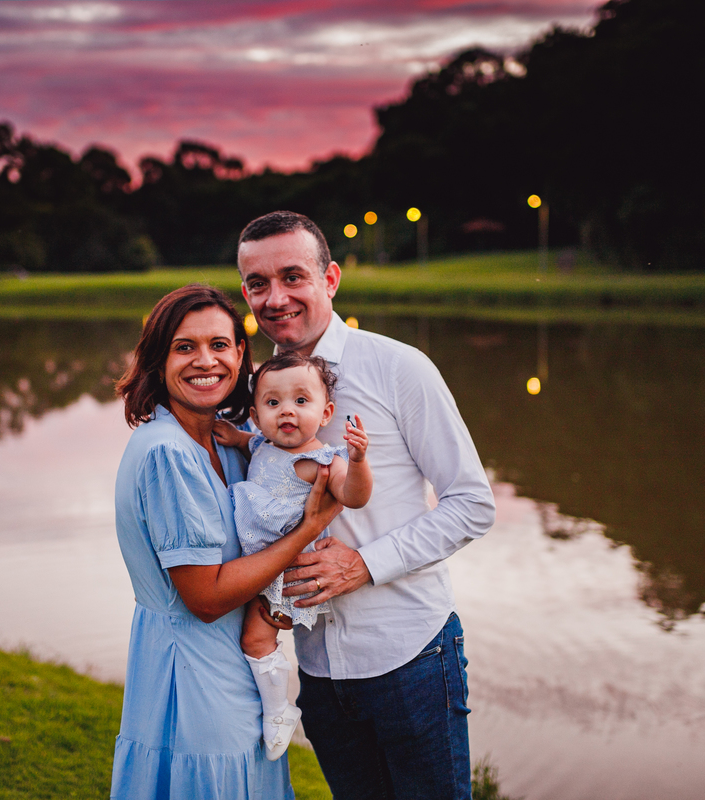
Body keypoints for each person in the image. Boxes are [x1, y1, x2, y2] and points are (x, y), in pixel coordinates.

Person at [236, 211, 497, 799]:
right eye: (257, 283)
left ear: (330, 279)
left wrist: (364, 565)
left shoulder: (398, 367)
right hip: (317, 668)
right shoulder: (257, 391)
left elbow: (472, 503)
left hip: (410, 653)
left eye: (292, 276)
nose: (275, 298)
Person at [111, 284, 342, 799]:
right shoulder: (168, 453)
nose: (205, 361)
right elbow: (207, 598)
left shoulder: (228, 441)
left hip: (237, 665)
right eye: (184, 347)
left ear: (240, 355)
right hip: (194, 675)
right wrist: (308, 530)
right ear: (158, 360)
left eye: (219, 344)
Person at [213, 351, 372, 761]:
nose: (287, 410)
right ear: (256, 415)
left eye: (301, 401)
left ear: (325, 413)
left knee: (256, 638)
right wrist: (234, 436)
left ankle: (279, 711)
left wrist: (357, 462)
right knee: (248, 636)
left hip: (285, 574)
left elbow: (354, 496)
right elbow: (252, 443)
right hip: (257, 562)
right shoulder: (263, 443)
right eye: (273, 402)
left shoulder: (322, 461)